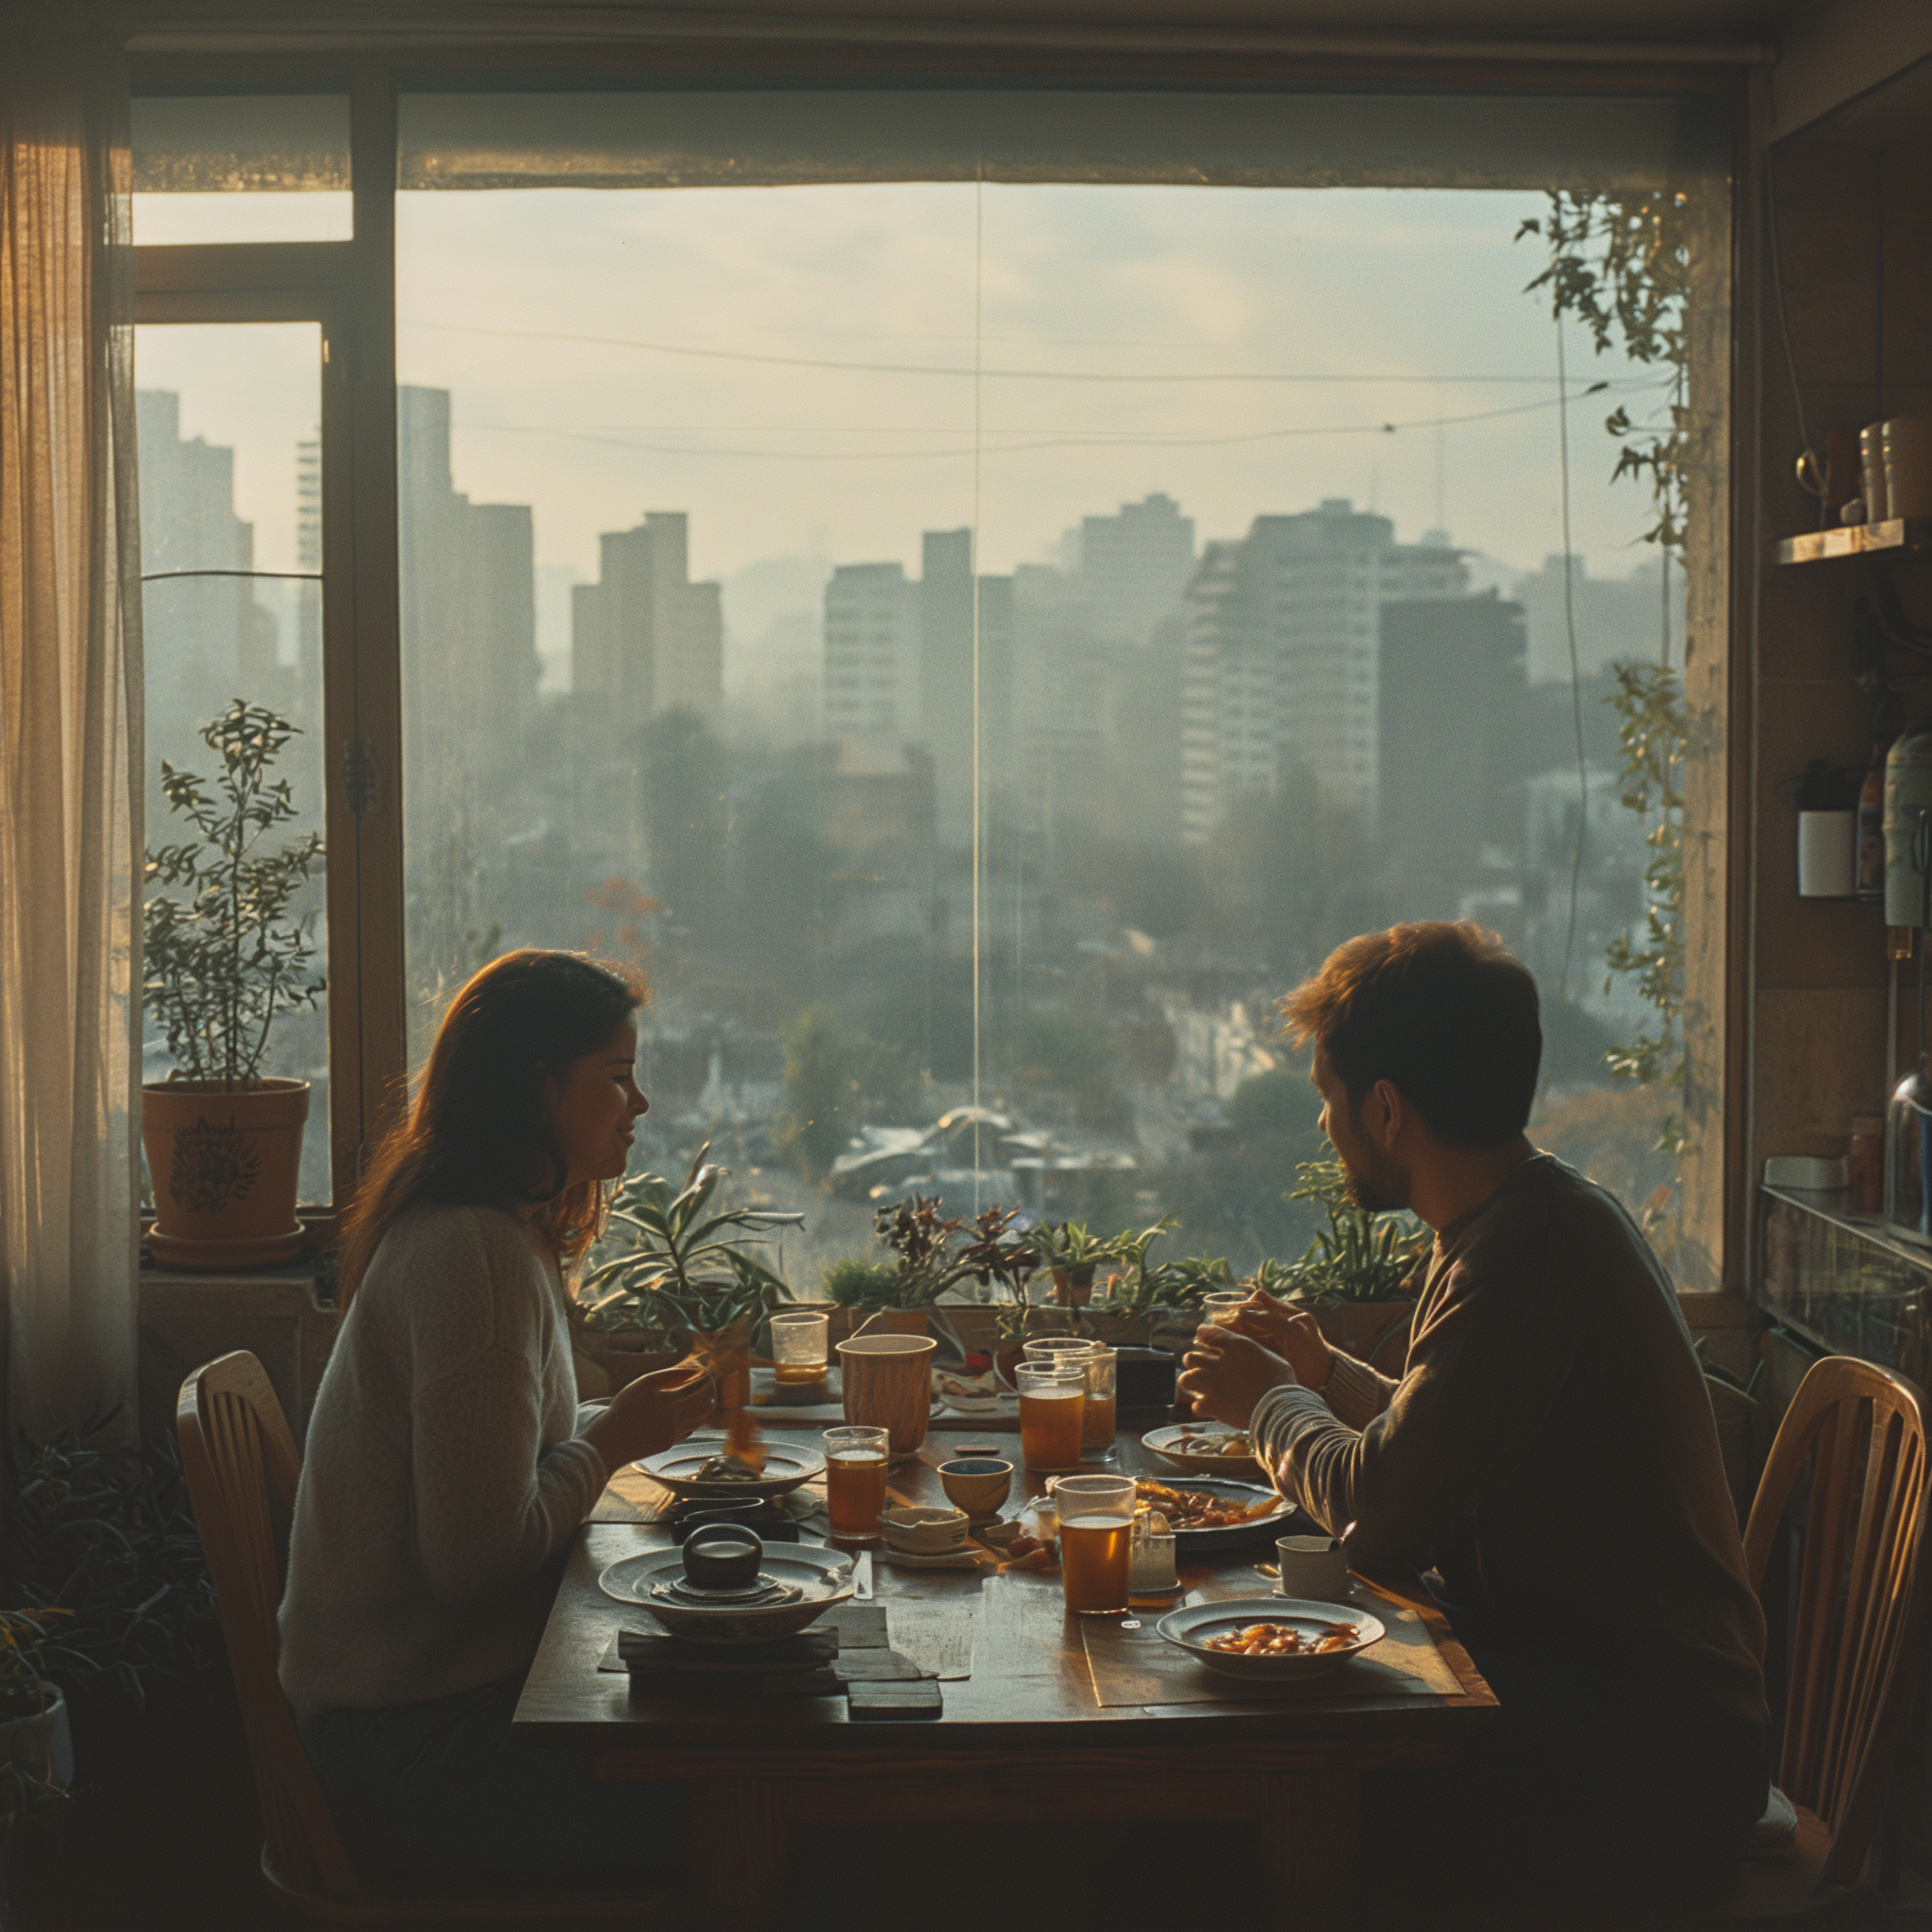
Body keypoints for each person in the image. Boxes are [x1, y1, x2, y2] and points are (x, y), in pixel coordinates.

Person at [1178, 921, 1769, 1905]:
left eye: (1327, 1098)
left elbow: (1380, 1511)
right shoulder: (1528, 1216)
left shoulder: (1522, 1253)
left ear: (1383, 1106)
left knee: (1260, 1796)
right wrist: (1324, 1373)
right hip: (1597, 1691)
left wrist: (1269, 1404)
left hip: (1649, 1747)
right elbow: (1454, 1436)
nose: (1323, 1127)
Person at [278, 949, 714, 1882]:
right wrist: (611, 1440)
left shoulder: (486, 1231)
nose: (638, 1104)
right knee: (787, 1800)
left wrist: (624, 1424)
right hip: (415, 1752)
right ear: (538, 1083)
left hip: (422, 1715)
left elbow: (502, 1453)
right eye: (618, 1075)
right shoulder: (471, 1257)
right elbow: (472, 1564)